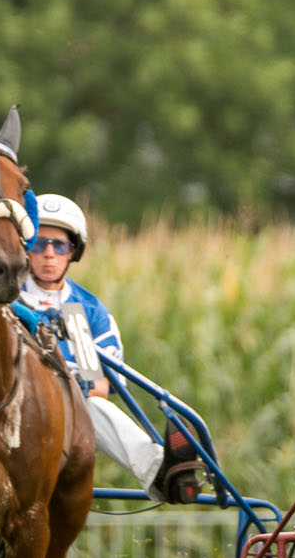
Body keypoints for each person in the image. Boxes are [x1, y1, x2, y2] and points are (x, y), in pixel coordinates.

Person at [16, 194, 200, 504]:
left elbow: (98, 386)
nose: (49, 254)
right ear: (24, 249)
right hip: (12, 408)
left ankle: (163, 472)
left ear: (73, 251)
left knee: (94, 407)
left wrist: (70, 387)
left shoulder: (83, 311)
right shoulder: (6, 298)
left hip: (65, 415)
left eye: (59, 245)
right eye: (39, 243)